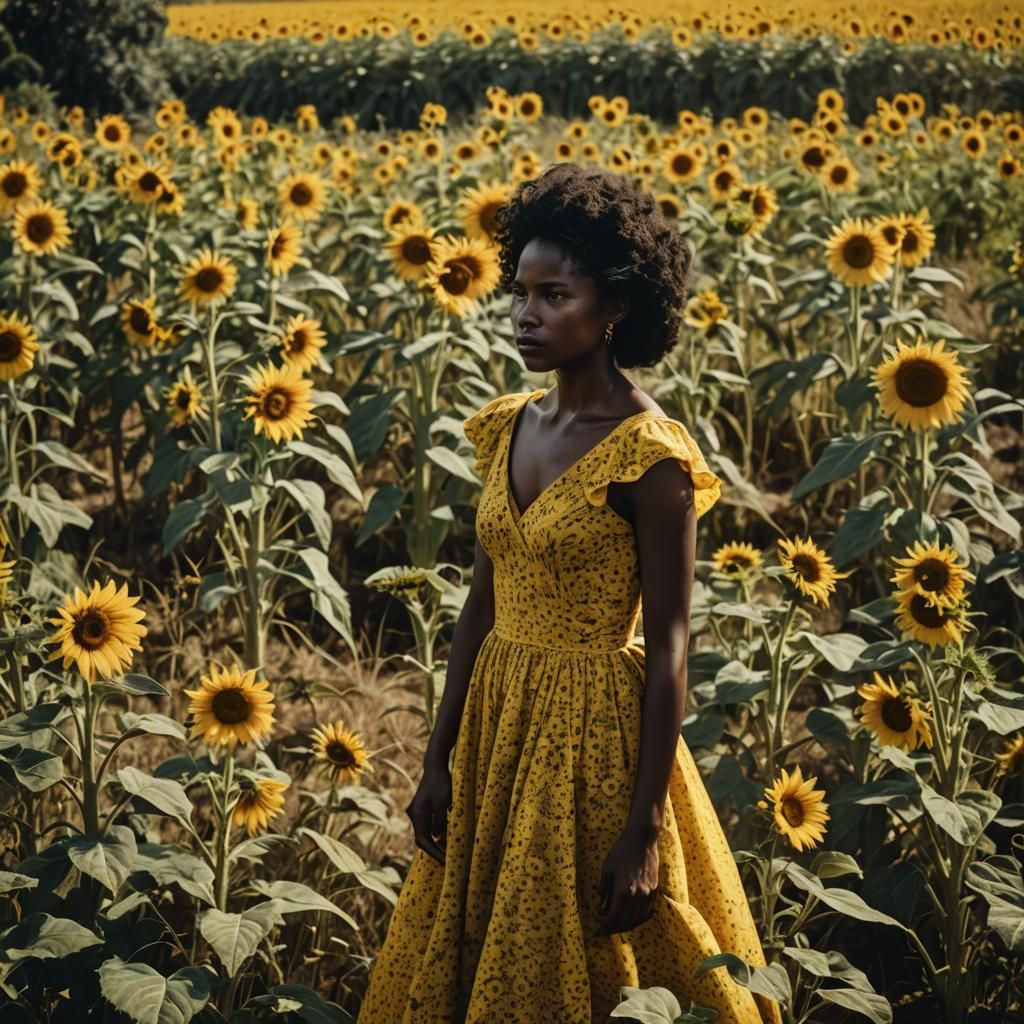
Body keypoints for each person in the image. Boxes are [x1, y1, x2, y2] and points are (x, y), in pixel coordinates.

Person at [358, 163, 782, 1024]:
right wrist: (437, 757)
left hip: (596, 736)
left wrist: (645, 829)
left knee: (594, 959)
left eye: (553, 296)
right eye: (519, 293)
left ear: (614, 308)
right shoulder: (509, 426)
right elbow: (481, 604)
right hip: (495, 723)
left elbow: (668, 644)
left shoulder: (650, 456)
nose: (525, 315)